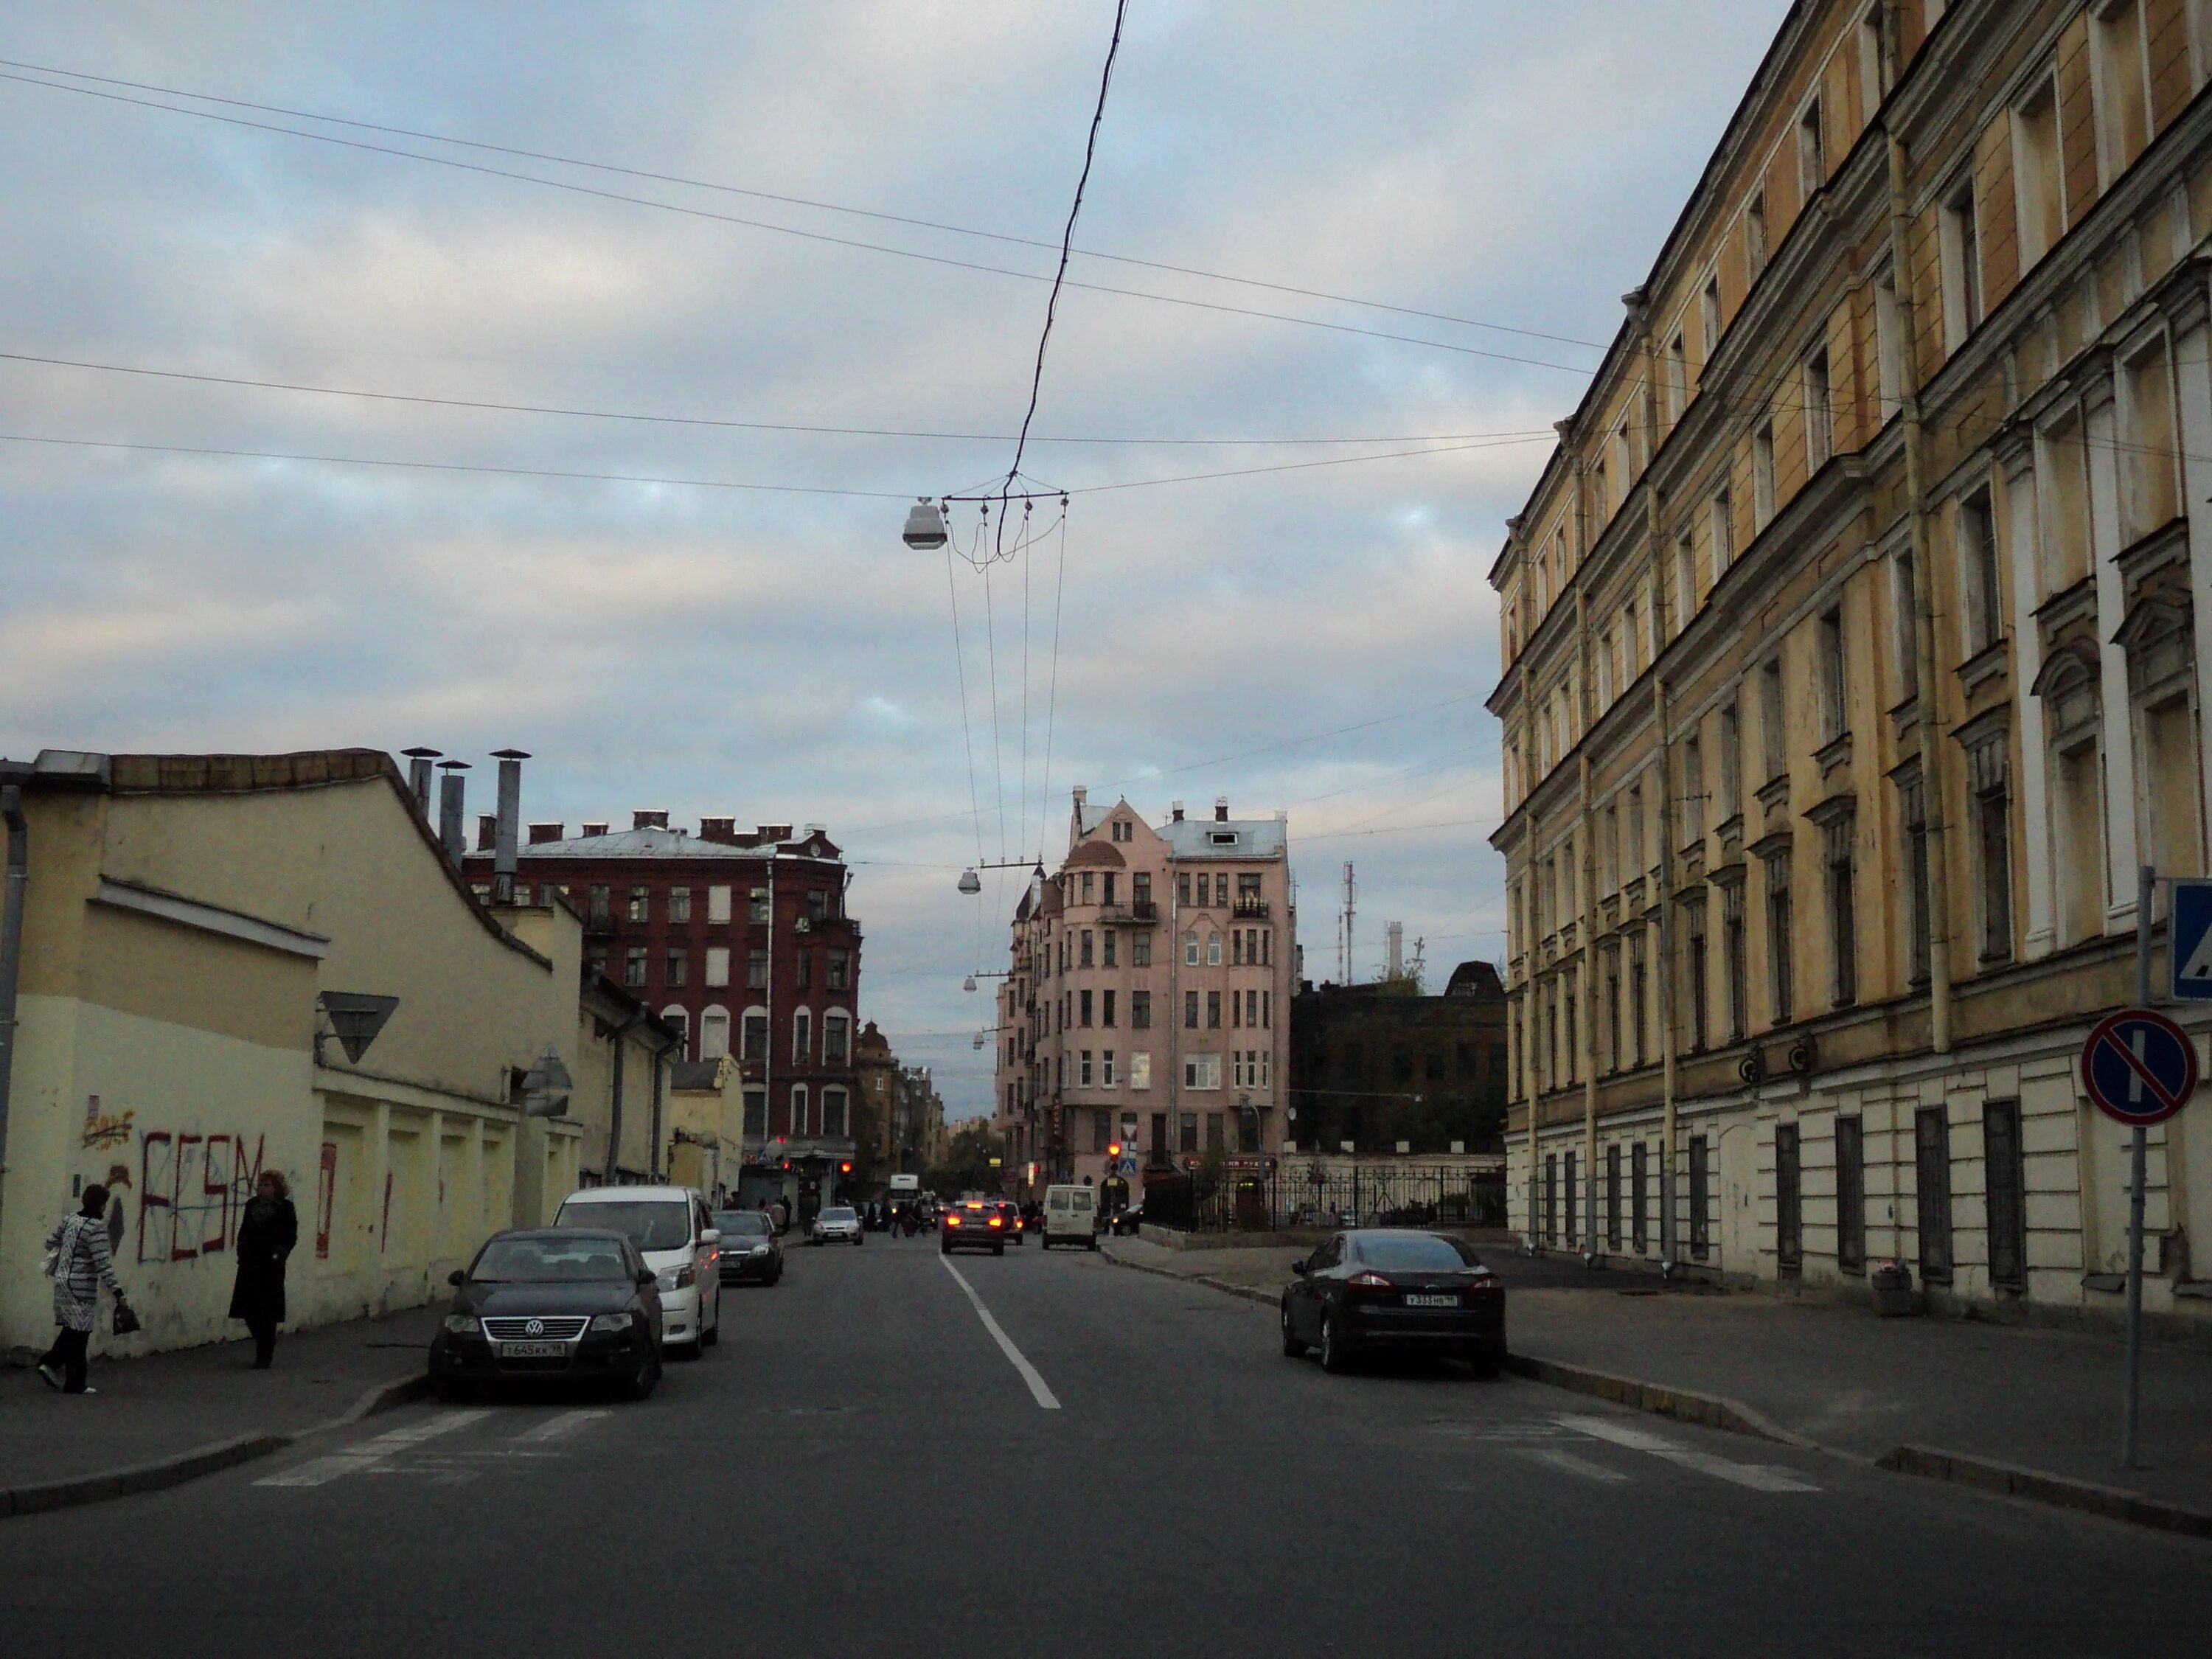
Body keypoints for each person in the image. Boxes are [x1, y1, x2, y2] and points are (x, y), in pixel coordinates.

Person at [40, 1183, 128, 1394]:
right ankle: (74, 1382)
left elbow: (50, 1242)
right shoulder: (96, 1227)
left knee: (72, 1328)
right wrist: (118, 1292)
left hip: (61, 1280)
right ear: (101, 1205)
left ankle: (51, 1364)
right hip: (81, 1286)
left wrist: (69, 1250)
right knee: (80, 1334)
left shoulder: (70, 1219)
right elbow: (102, 1263)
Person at [229, 1169, 299, 1369]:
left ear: (277, 1188)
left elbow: (290, 1235)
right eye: (260, 1184)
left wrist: (280, 1253)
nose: (262, 1189)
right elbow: (244, 1230)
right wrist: (241, 1250)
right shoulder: (252, 1205)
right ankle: (262, 1342)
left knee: (267, 1310)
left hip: (271, 1265)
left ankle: (265, 1353)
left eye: (267, 1185)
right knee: (248, 1309)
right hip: (250, 1263)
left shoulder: (285, 1208)